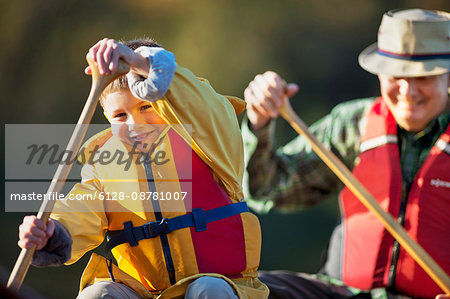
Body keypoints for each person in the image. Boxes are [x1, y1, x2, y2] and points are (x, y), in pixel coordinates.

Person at [18, 38, 269, 298]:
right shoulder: (102, 162)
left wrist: (140, 61)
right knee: (97, 294)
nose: (135, 124)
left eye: (146, 107)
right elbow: (82, 210)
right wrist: (52, 230)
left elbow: (197, 103)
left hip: (218, 282)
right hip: (143, 292)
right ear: (107, 117)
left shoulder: (209, 138)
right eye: (120, 116)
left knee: (208, 289)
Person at [242, 8, 449, 299]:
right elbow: (267, 189)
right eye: (396, 75)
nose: (408, 90)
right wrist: (259, 121)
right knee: (245, 289)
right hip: (342, 293)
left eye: (423, 77)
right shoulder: (353, 125)